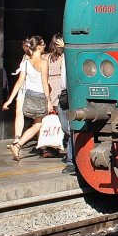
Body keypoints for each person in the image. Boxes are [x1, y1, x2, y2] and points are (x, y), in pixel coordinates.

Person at [4, 36, 51, 161]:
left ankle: (17, 141)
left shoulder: (25, 62)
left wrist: (9, 100)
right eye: (43, 44)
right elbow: (45, 83)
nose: (45, 46)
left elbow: (19, 82)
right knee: (38, 124)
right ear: (39, 47)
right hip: (40, 96)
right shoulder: (44, 63)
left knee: (28, 119)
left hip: (28, 95)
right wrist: (49, 100)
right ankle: (18, 145)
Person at [45, 33, 75, 174]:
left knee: (71, 129)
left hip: (72, 93)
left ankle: (70, 161)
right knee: (65, 128)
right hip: (62, 94)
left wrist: (67, 47)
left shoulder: (68, 53)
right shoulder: (55, 56)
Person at [1, 38, 32, 142]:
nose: (26, 48)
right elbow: (20, 81)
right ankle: (17, 138)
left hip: (35, 89)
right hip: (24, 88)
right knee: (19, 112)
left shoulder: (42, 58)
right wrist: (10, 100)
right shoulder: (25, 58)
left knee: (38, 119)